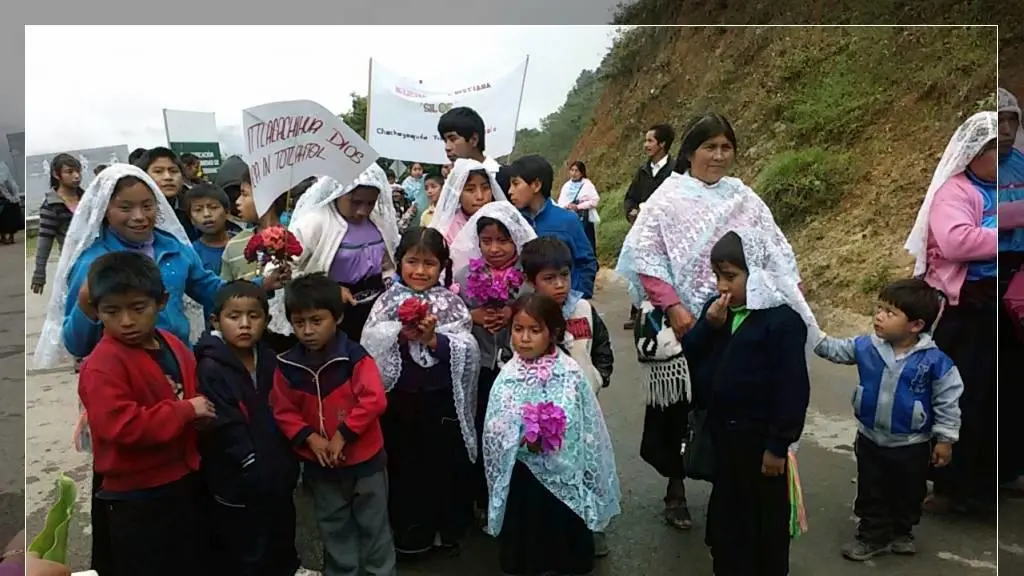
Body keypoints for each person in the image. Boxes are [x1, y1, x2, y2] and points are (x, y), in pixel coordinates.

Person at [615, 112, 796, 531]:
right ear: (690, 153)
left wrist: (785, 301)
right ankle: (675, 487)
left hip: (737, 322)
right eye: (709, 147)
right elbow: (646, 257)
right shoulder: (667, 198)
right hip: (683, 325)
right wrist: (675, 308)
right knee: (678, 409)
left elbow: (776, 253)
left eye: (725, 147)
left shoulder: (745, 199)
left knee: (729, 405)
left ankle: (724, 483)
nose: (718, 156)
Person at [684, 228, 814, 576]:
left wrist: (778, 445)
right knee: (729, 518)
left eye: (730, 277)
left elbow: (792, 388)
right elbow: (692, 354)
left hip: (759, 443)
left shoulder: (781, 321)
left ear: (759, 273)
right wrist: (708, 327)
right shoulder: (718, 313)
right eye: (717, 276)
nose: (721, 286)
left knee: (762, 520)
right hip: (724, 437)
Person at [77, 251, 216, 576]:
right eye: (112, 311)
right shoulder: (102, 365)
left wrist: (200, 418)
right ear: (96, 310)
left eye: (138, 308)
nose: (126, 321)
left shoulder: (172, 344)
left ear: (161, 302)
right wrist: (185, 410)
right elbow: (122, 426)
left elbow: (191, 392)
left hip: (181, 478)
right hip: (136, 493)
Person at [815, 278, 963, 561]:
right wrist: (811, 331)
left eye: (890, 312)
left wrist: (945, 439)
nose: (879, 316)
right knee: (872, 490)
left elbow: (948, 402)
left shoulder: (935, 361)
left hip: (913, 444)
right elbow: (831, 349)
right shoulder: (865, 347)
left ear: (916, 325)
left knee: (910, 492)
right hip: (871, 439)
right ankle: (871, 536)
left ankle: (902, 531)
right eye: (879, 309)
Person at [482, 293, 620, 576]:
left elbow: (586, 423)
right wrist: (520, 437)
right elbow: (495, 428)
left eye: (535, 330)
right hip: (523, 475)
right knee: (529, 541)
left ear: (553, 333)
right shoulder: (507, 376)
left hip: (565, 471)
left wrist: (555, 431)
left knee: (563, 543)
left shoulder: (570, 373)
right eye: (518, 329)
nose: (524, 338)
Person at [362, 227, 479, 556]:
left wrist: (433, 339)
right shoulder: (387, 301)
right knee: (404, 468)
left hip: (438, 401)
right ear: (399, 262)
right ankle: (410, 534)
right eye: (412, 261)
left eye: (429, 263)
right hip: (400, 402)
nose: (420, 271)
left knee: (439, 466)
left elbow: (467, 347)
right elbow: (370, 342)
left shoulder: (451, 303)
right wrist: (397, 334)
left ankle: (444, 530)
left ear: (442, 266)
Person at [270, 273, 396, 576]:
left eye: (317, 321)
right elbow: (283, 410)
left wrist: (342, 435)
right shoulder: (287, 365)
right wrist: (310, 439)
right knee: (333, 528)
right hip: (321, 464)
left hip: (365, 462)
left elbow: (373, 400)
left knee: (375, 527)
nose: (307, 331)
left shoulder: (354, 358)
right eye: (299, 322)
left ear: (337, 317)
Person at [904, 111, 998, 514]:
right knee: (965, 397)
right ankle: (952, 486)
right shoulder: (955, 192)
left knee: (1001, 396)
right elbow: (957, 242)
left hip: (1006, 307)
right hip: (968, 311)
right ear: (973, 153)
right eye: (994, 149)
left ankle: (996, 478)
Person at [195, 281, 314, 576]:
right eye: (234, 317)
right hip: (236, 473)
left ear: (267, 320)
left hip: (276, 464)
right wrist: (248, 459)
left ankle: (288, 567)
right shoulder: (210, 367)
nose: (245, 324)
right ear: (216, 321)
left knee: (281, 522)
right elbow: (224, 422)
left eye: (254, 316)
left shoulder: (270, 358)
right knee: (246, 536)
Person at [520, 236, 614, 557]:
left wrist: (598, 377)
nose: (560, 284)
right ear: (531, 281)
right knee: (551, 474)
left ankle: (592, 526)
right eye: (549, 278)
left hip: (584, 412)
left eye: (564, 275)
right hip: (544, 419)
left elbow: (601, 347)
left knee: (587, 468)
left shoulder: (583, 309)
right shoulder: (527, 317)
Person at [448, 202, 536, 523]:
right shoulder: (464, 276)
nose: (495, 249)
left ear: (516, 240)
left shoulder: (529, 278)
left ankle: (519, 498)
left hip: (520, 368)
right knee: (485, 428)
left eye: (503, 240)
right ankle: (485, 497)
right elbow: (449, 317)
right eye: (487, 241)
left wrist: (515, 311)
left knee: (520, 430)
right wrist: (471, 316)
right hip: (481, 369)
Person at [279, 164, 400, 343]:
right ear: (339, 192)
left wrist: (391, 282)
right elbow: (285, 271)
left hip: (375, 308)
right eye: (356, 202)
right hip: (333, 311)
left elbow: (387, 263)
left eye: (370, 203)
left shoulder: (378, 221)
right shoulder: (314, 223)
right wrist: (329, 290)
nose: (363, 211)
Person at [506, 154, 597, 300]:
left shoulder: (567, 221)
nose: (510, 191)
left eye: (516, 184)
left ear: (536, 185)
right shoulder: (512, 221)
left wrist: (574, 298)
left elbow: (586, 263)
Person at [621, 124, 676, 330]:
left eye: (650, 141)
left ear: (662, 144)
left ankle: (666, 311)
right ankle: (637, 311)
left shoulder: (675, 171)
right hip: (643, 231)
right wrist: (631, 211)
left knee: (663, 271)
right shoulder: (643, 171)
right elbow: (630, 197)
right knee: (640, 268)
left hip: (668, 231)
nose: (646, 145)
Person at [998, 88, 1024, 493]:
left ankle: (1012, 469)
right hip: (981, 280)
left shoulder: (1020, 163)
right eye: (996, 121)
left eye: (1012, 120)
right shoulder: (964, 172)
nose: (1005, 129)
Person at [32, 153, 84, 294]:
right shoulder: (51, 205)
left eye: (78, 171)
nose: (76, 176)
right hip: (72, 263)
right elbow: (45, 240)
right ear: (56, 175)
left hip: (99, 258)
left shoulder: (88, 198)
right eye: (69, 172)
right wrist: (39, 273)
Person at [428, 158, 507, 244]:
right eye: (470, 190)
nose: (480, 196)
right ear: (458, 194)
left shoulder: (504, 221)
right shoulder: (447, 230)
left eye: (485, 188)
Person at [437, 106, 510, 192]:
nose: (447, 147)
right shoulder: (452, 182)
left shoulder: (505, 179)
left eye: (453, 139)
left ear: (474, 140)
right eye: (445, 141)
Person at [134, 147, 198, 240]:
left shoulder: (193, 206)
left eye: (173, 171)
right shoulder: (135, 212)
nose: (168, 177)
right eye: (158, 171)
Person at [186, 183, 241, 275]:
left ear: (227, 212)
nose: (206, 214)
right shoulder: (191, 254)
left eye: (213, 207)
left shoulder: (243, 242)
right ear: (191, 219)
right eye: (198, 210)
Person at [557, 160, 600, 257]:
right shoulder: (567, 186)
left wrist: (578, 207)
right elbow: (560, 202)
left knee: (587, 242)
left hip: (584, 219)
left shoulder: (587, 185)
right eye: (572, 170)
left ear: (582, 172)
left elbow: (594, 200)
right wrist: (567, 206)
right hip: (569, 219)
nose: (574, 173)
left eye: (576, 171)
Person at [0, 160, 23, 245]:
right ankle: (4, 236)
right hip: (5, 198)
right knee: (4, 218)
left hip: (8, 199)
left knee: (10, 218)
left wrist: (12, 198)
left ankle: (10, 236)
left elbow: (5, 186)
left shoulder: (4, 172)